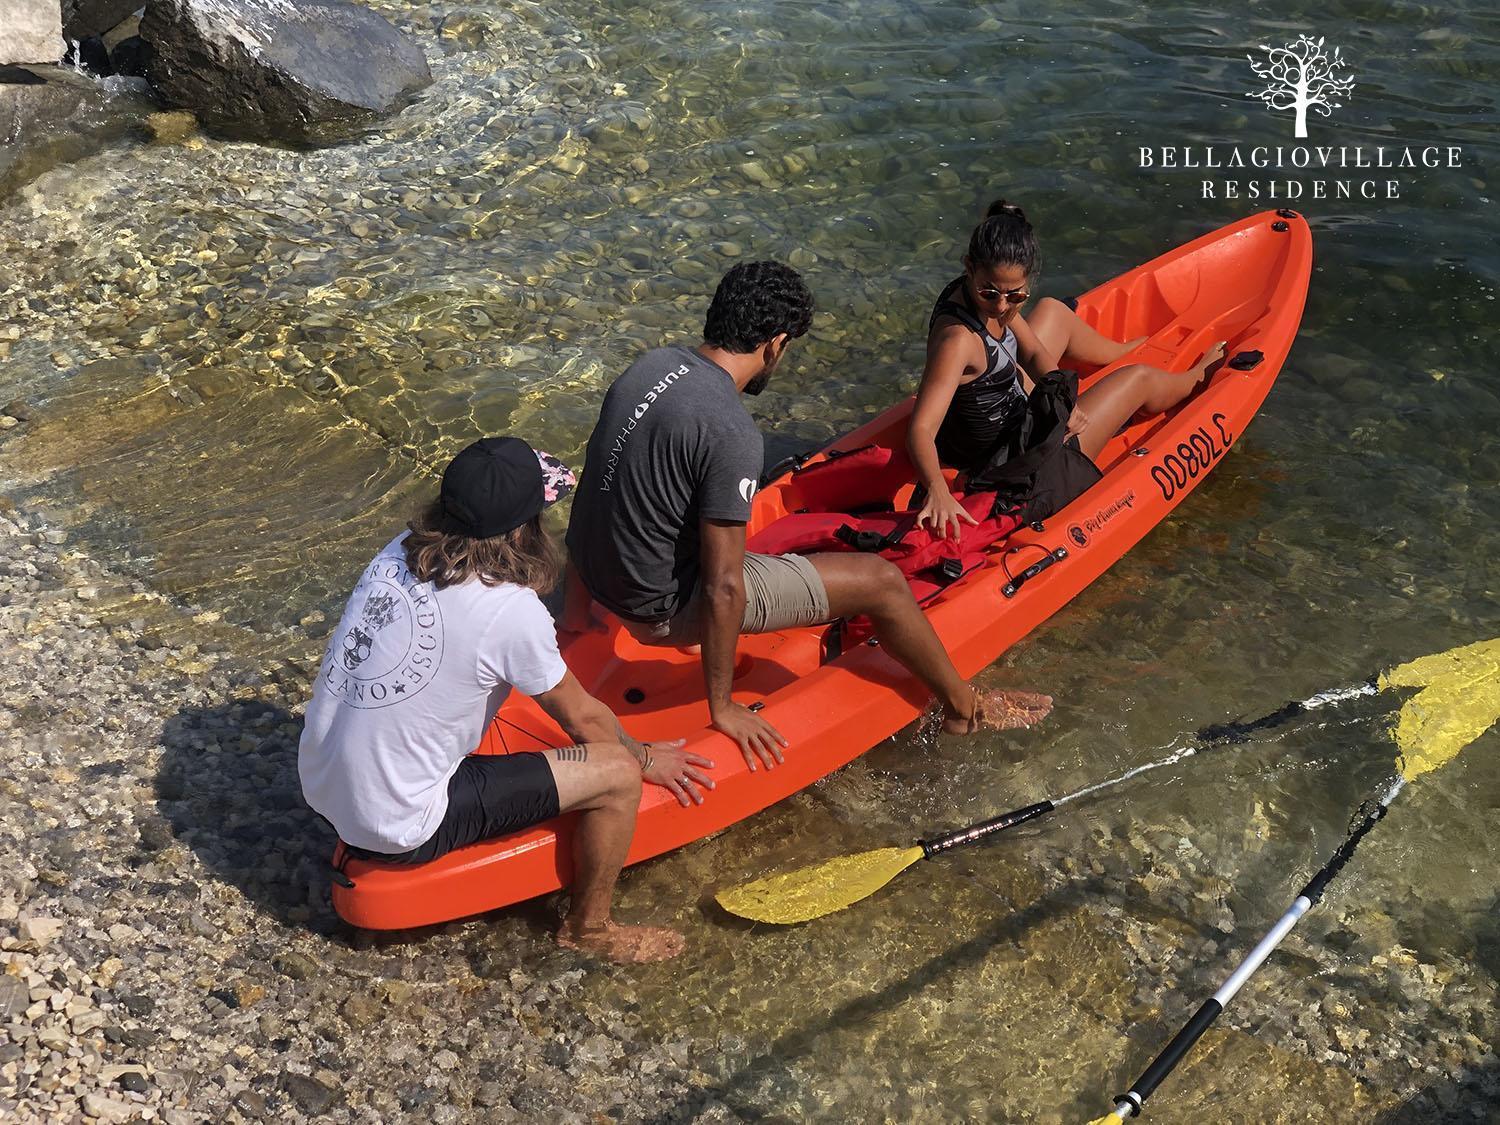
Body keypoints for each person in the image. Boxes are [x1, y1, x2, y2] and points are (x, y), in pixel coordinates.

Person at [565, 261, 1051, 769]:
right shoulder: (732, 431)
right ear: (775, 343)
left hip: (603, 582)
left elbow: (596, 479)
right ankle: (963, 708)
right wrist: (724, 708)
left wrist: (577, 615)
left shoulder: (650, 366)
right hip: (662, 611)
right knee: (881, 581)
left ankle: (621, 617)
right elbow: (724, 586)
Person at [298, 437, 714, 963]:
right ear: (521, 530)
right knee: (617, 772)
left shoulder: (398, 551)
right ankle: (590, 928)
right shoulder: (508, 611)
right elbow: (586, 720)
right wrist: (649, 757)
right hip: (398, 824)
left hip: (319, 781)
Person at [909, 200, 1228, 539]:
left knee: (1053, 311)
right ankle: (1196, 378)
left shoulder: (985, 292)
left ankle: (1118, 351)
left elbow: (1031, 350)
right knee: (1138, 378)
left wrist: (1065, 399)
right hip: (1011, 464)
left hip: (1009, 409)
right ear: (969, 267)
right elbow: (921, 429)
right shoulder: (957, 341)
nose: (1002, 306)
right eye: (991, 294)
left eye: (1015, 295)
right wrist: (937, 490)